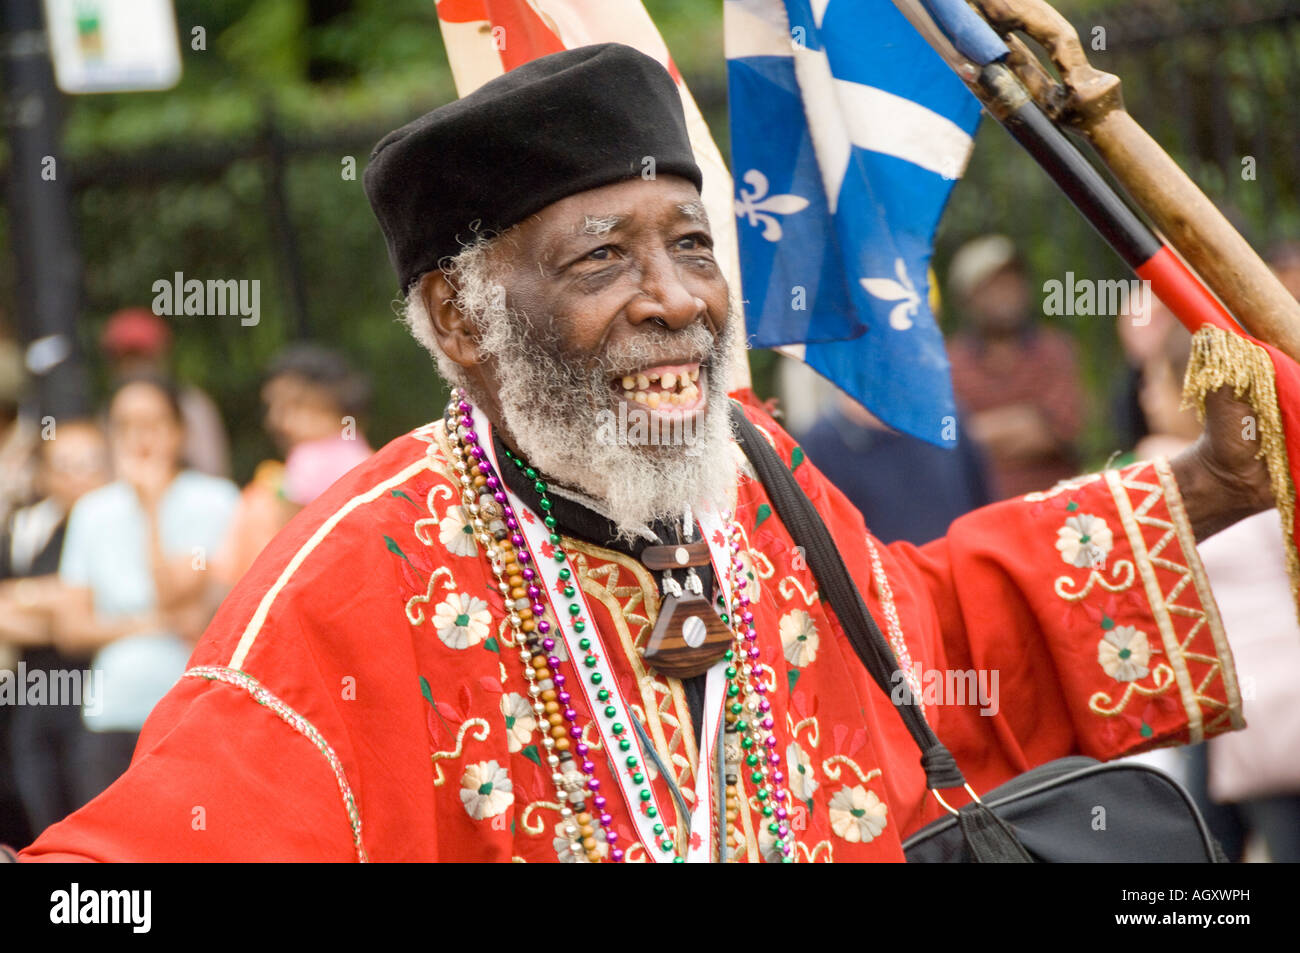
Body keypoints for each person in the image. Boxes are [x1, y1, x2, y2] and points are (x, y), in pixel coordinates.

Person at [13, 45, 1272, 863]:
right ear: (462, 319)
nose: (675, 298)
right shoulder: (357, 571)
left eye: (691, 243)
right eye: (602, 257)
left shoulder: (756, 472)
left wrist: (1212, 482)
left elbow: (926, 637)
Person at [48, 375, 239, 804]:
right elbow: (72, 628)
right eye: (126, 426)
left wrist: (151, 510)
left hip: (189, 712)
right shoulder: (92, 512)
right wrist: (150, 624)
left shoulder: (216, 501)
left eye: (152, 423)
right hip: (110, 715)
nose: (140, 438)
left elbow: (177, 597)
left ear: (178, 431)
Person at [213, 345, 373, 588]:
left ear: (332, 403)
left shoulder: (309, 457)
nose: (277, 421)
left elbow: (293, 544)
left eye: (293, 406)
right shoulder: (366, 457)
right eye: (274, 407)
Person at [946, 236, 1085, 499]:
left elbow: (1061, 430)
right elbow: (946, 437)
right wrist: (1024, 419)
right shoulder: (946, 363)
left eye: (1012, 281)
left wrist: (973, 431)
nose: (1007, 292)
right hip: (978, 512)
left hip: (1056, 507)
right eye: (992, 285)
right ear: (967, 297)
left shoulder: (1055, 350)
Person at [797, 392, 992, 545]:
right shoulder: (822, 445)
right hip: (883, 590)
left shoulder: (946, 419)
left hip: (955, 582)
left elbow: (983, 509)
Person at [99, 307, 232, 479]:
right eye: (126, 358)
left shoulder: (191, 405)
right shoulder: (108, 409)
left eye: (142, 357)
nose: (135, 367)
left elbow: (212, 469)